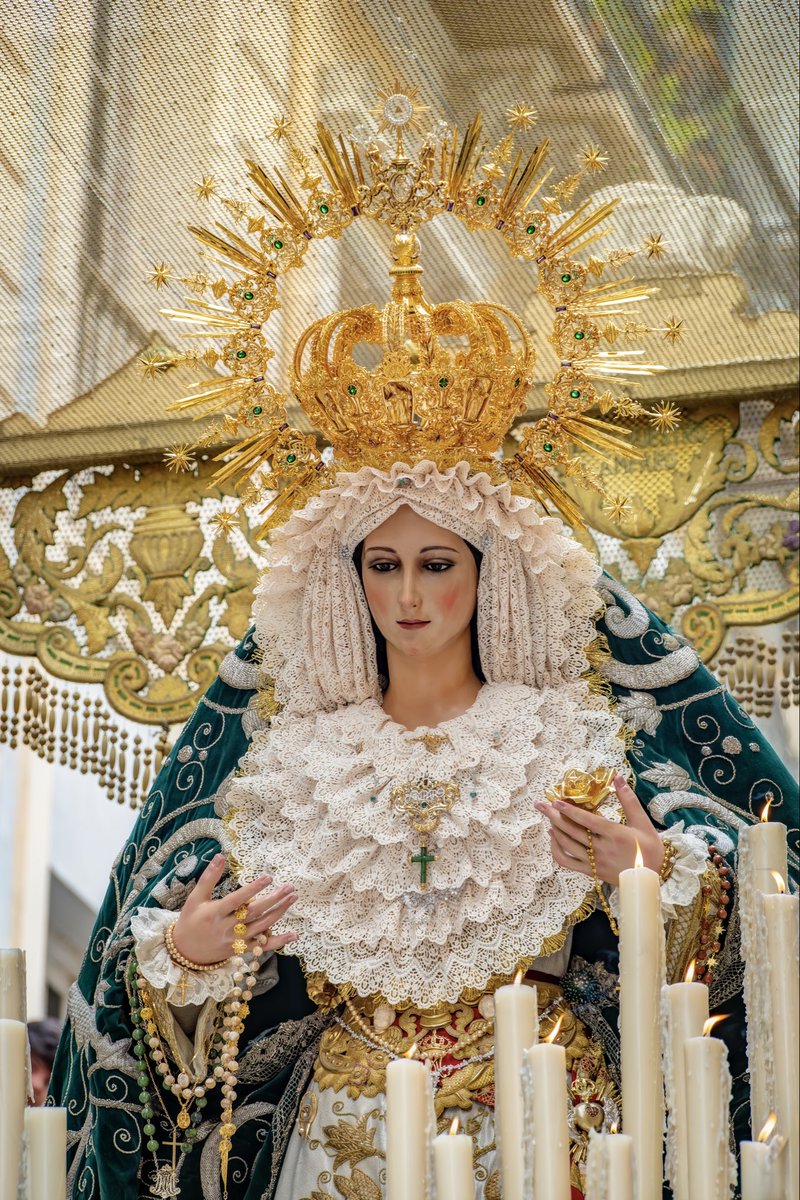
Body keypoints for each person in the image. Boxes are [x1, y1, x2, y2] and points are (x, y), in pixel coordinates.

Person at [49, 94, 797, 1200]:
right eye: (382, 565)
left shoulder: (573, 737)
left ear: (489, 573)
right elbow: (164, 1012)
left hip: (548, 1127)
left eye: (437, 563)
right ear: (345, 579)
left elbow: (736, 924)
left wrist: (656, 884)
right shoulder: (293, 766)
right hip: (335, 1144)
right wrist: (191, 959)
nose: (407, 595)